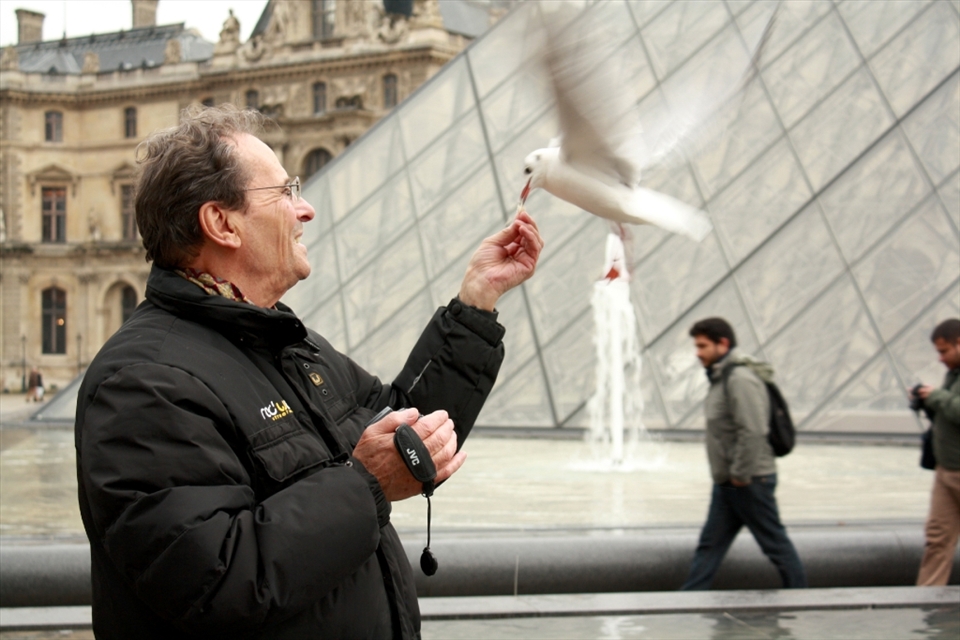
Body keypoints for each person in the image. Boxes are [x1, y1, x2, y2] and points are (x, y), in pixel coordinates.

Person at [74, 104, 543, 639]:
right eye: (285, 192)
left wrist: (476, 303)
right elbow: (216, 581)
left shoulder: (286, 342)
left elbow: (411, 425)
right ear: (221, 223)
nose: (307, 209)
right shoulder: (144, 383)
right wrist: (364, 484)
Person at [680, 317, 806, 590]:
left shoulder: (739, 378)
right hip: (730, 482)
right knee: (709, 547)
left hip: (749, 481)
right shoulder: (722, 376)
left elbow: (753, 430)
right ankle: (688, 599)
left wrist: (739, 475)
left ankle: (802, 597)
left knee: (775, 545)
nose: (697, 352)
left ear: (722, 344)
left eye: (703, 345)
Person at [911, 318, 960, 586]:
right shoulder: (954, 374)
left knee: (939, 538)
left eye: (944, 351)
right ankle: (926, 599)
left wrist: (937, 397)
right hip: (947, 470)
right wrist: (927, 402)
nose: (940, 358)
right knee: (937, 537)